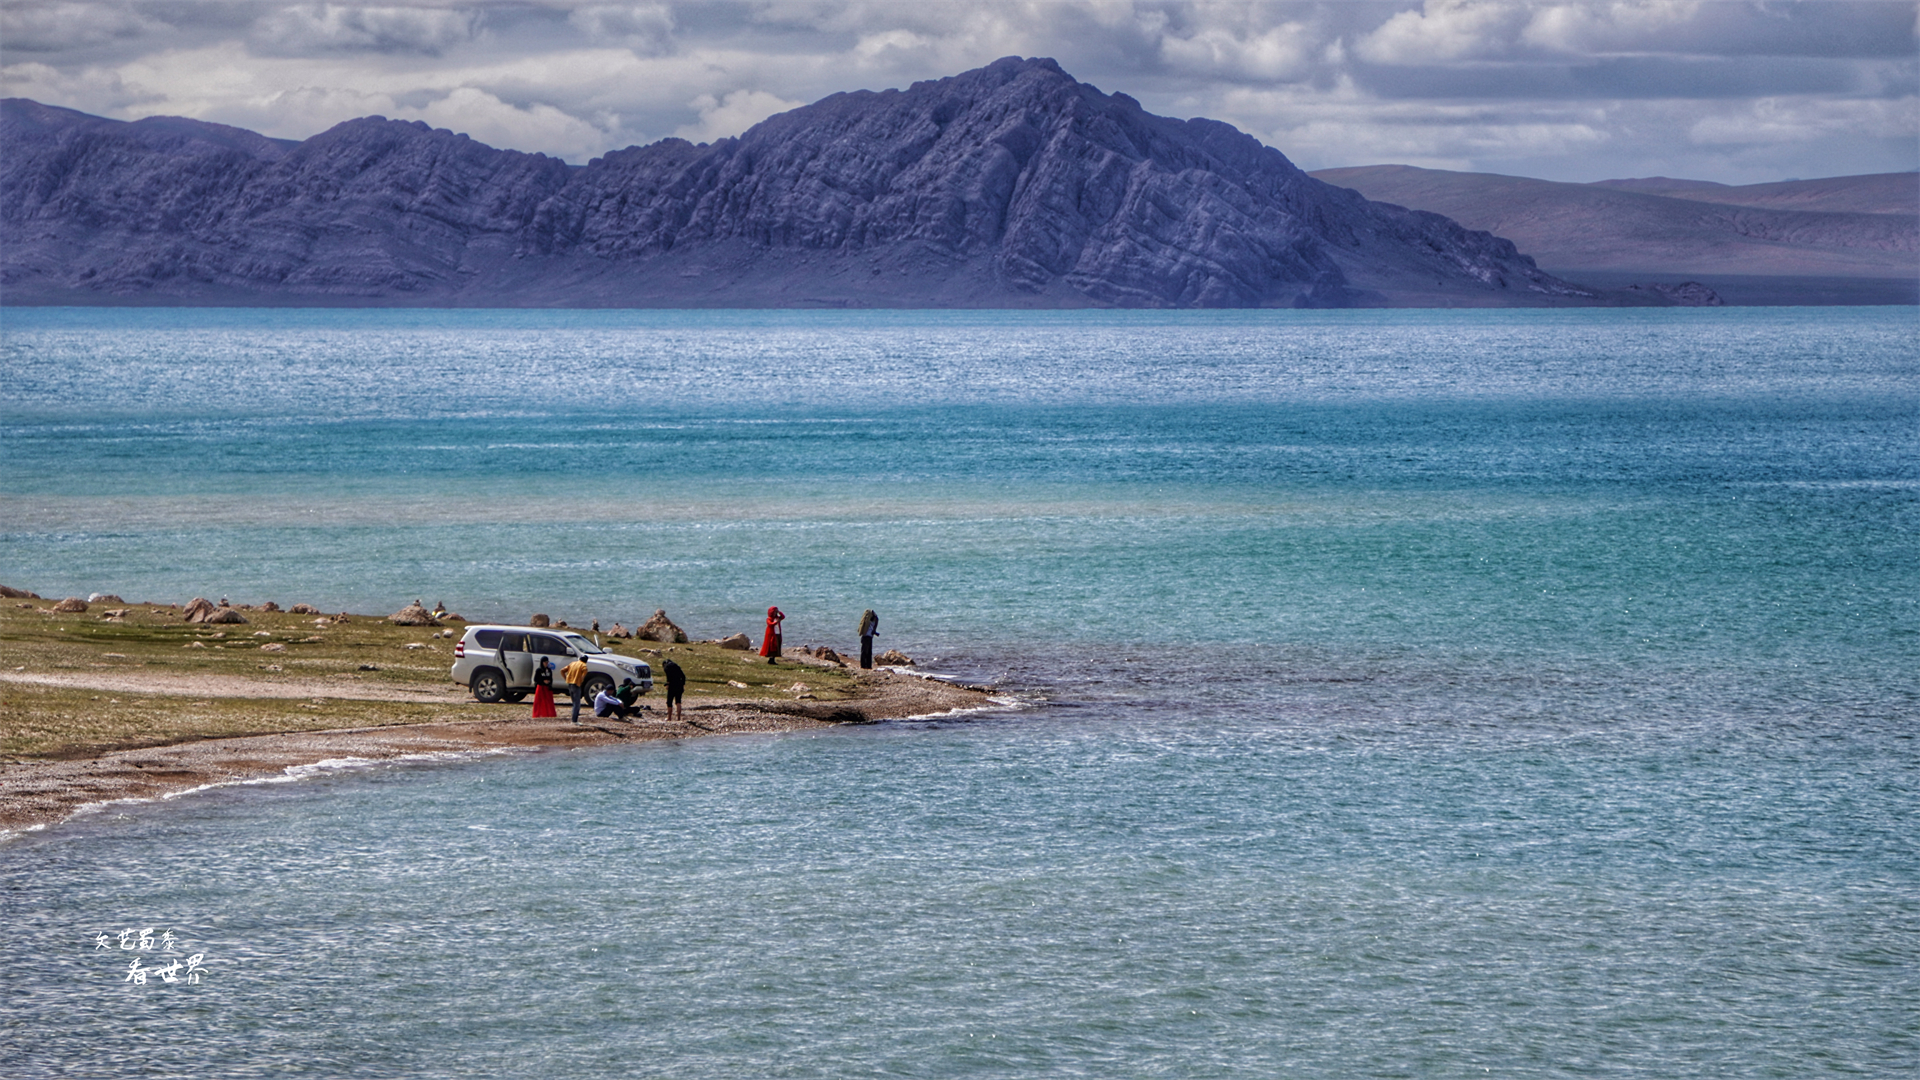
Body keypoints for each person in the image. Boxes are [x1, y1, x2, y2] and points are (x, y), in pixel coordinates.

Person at [562, 656, 591, 723]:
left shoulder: (572, 663)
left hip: (570, 684)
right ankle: (574, 720)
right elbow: (584, 674)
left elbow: (562, 670)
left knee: (574, 702)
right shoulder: (583, 665)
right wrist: (581, 680)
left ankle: (573, 717)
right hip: (576, 684)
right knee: (577, 703)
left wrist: (566, 678)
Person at [661, 658, 686, 723]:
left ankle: (669, 717)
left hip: (672, 685)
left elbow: (669, 677)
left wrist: (668, 684)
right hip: (679, 684)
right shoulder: (677, 666)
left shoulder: (667, 667)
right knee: (678, 701)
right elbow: (683, 676)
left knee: (669, 701)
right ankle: (678, 718)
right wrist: (683, 685)